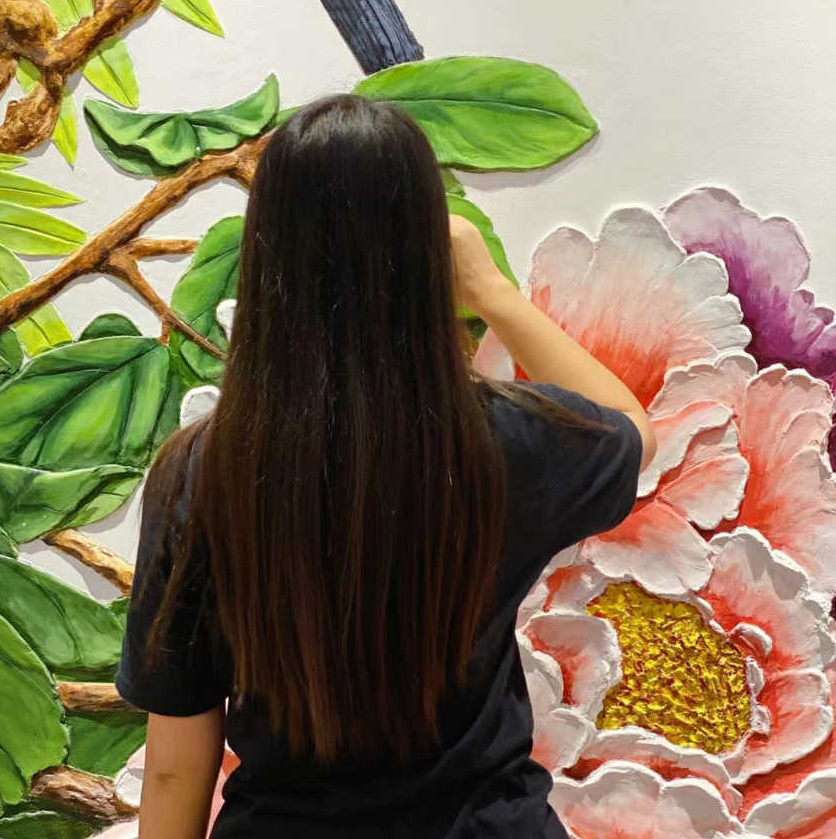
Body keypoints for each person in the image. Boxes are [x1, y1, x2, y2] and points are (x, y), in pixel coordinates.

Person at [116, 94, 656, 839]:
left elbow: (177, 761)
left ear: (268, 252)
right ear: (427, 252)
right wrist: (493, 292)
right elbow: (634, 432)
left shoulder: (202, 473)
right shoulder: (508, 444)